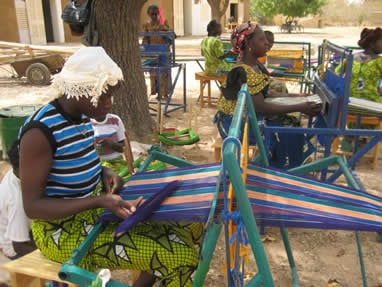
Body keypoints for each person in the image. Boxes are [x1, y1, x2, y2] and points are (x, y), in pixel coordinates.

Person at [18, 46, 202, 287]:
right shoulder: (40, 132)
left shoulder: (81, 116)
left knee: (191, 225)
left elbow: (77, 162)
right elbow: (32, 207)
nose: (109, 104)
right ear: (82, 91)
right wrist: (99, 201)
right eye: (103, 96)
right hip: (60, 233)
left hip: (90, 214)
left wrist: (104, 172)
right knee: (180, 255)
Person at [214, 22, 322, 168]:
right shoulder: (244, 71)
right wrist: (300, 106)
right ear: (248, 44)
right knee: (287, 127)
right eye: (261, 39)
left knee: (290, 122)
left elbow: (267, 93)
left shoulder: (255, 67)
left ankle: (288, 163)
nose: (266, 43)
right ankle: (285, 166)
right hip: (234, 124)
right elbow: (261, 107)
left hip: (245, 119)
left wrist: (299, 97)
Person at [0, 141, 36, 260]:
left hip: (22, 233)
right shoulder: (18, 200)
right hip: (16, 249)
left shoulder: (16, 174)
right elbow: (19, 246)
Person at [344, 27, 382, 103]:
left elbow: (337, 73)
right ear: (372, 44)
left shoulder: (351, 57)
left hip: (349, 100)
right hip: (372, 102)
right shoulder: (379, 61)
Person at [142, 4, 172, 99]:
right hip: (152, 51)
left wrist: (164, 29)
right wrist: (145, 48)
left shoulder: (163, 22)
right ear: (149, 14)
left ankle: (165, 93)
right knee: (153, 73)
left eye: (156, 14)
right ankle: (156, 92)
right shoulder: (146, 25)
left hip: (163, 51)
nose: (154, 16)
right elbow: (145, 38)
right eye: (152, 14)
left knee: (164, 73)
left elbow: (170, 35)